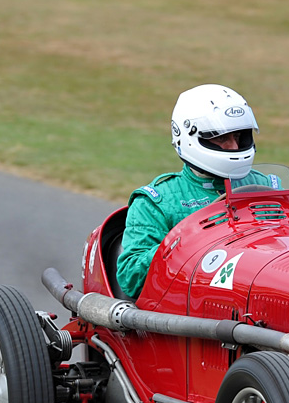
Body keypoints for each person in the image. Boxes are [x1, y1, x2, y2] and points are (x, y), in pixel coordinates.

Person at [115, 84, 274, 298]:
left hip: (261, 290)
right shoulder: (155, 202)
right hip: (194, 309)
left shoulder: (267, 186)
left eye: (238, 137)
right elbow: (130, 277)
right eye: (221, 138)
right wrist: (189, 237)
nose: (234, 147)